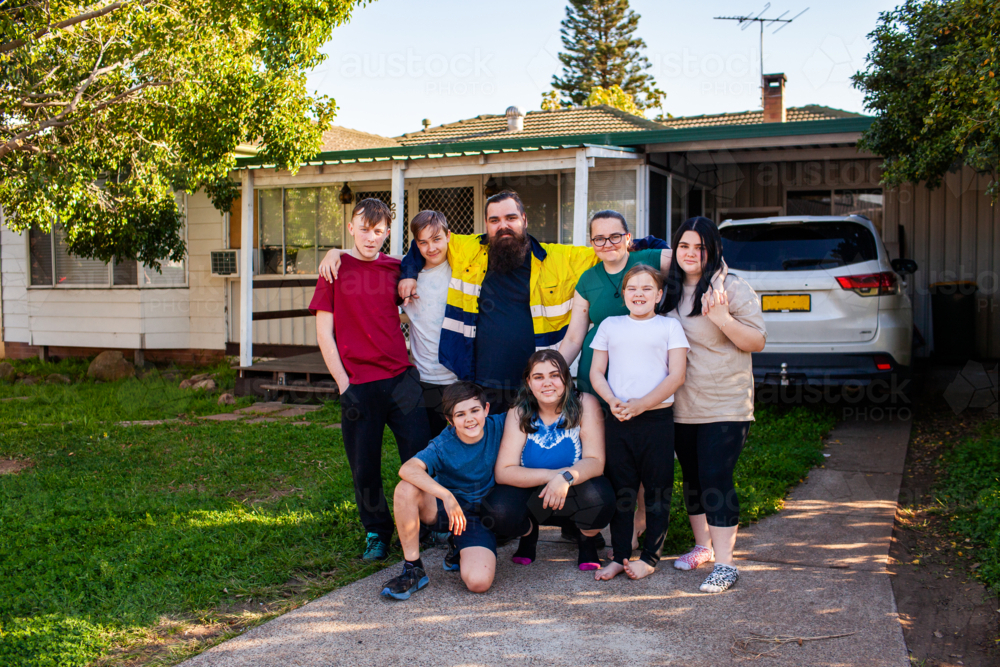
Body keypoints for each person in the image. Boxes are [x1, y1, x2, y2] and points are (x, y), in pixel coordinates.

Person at [309, 198, 431, 561]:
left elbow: (432, 253)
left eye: (378, 231)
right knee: (364, 465)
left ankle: (427, 524)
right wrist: (344, 384)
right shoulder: (333, 269)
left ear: (387, 233)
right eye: (363, 229)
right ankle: (377, 531)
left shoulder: (397, 269)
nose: (370, 237)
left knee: (422, 455)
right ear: (351, 228)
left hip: (401, 377)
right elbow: (324, 334)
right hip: (358, 383)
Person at [660, 217, 766, 594]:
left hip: (725, 402)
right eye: (684, 246)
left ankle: (726, 564)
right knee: (692, 476)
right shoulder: (669, 288)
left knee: (715, 478)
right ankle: (702, 547)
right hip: (680, 401)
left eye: (700, 248)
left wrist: (721, 318)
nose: (691, 254)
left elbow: (756, 341)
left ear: (713, 250)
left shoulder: (732, 287)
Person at [589, 264, 689, 581]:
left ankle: (649, 557)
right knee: (623, 492)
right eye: (632, 288)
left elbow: (677, 375)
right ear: (625, 295)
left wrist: (641, 405)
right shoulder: (610, 325)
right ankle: (619, 555)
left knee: (658, 491)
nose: (639, 294)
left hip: (656, 419)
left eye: (647, 288)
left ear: (659, 295)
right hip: (618, 418)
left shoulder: (669, 327)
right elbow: (595, 373)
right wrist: (612, 401)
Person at [482, 349, 616, 571]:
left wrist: (566, 479)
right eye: (538, 377)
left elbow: (595, 462)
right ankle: (529, 533)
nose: (547, 383)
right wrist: (554, 477)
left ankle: (586, 540)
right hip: (533, 494)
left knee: (601, 497)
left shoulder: (584, 404)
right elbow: (504, 471)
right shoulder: (519, 411)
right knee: (496, 511)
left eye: (555, 375)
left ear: (566, 377)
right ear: (529, 382)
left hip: (574, 492)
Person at [380, 382, 504, 600]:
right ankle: (413, 569)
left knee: (478, 582)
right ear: (449, 420)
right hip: (445, 510)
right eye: (460, 414)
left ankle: (458, 546)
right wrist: (446, 495)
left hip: (477, 516)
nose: (469, 419)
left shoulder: (500, 426)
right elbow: (407, 468)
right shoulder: (444, 443)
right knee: (405, 488)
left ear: (486, 409)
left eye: (475, 410)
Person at [558, 210, 672, 397]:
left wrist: (718, 280)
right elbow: (573, 338)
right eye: (599, 239)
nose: (608, 244)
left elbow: (697, 260)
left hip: (645, 376)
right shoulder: (587, 279)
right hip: (595, 374)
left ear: (628, 238)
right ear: (592, 242)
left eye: (615, 237)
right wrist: (553, 371)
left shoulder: (650, 260)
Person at [400, 210, 459, 437]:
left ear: (448, 236)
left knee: (463, 439)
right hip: (425, 377)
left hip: (458, 376)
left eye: (436, 239)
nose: (431, 248)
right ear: (416, 244)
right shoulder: (407, 278)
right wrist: (335, 253)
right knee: (429, 442)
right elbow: (370, 258)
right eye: (423, 242)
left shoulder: (461, 271)